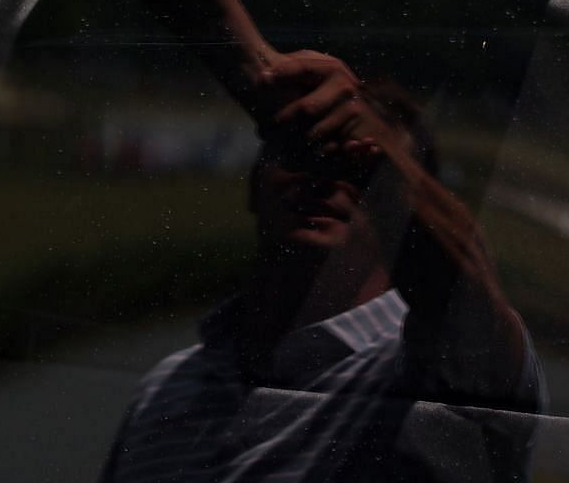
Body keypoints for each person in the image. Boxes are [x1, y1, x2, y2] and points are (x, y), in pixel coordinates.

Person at [101, 56, 541, 481]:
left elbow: (467, 291)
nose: (323, 177)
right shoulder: (163, 388)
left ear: (406, 214)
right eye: (299, 150)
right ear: (256, 182)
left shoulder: (435, 368)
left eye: (357, 164)